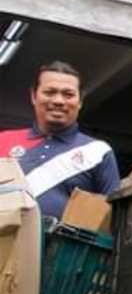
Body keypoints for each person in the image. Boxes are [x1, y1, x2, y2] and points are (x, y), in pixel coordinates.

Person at [0, 61, 120, 218]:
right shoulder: (3, 140)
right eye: (49, 92)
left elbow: (113, 216)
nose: (58, 101)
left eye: (68, 95)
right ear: (34, 96)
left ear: (80, 101)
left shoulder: (99, 152)